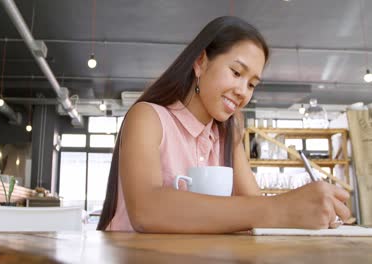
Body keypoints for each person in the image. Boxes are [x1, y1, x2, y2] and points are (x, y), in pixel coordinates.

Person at [97, 16, 350, 233]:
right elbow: (146, 210)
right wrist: (279, 208)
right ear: (200, 62)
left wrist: (303, 210)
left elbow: (254, 207)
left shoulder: (229, 135)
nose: (243, 91)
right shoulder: (148, 117)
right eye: (237, 73)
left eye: (252, 84)